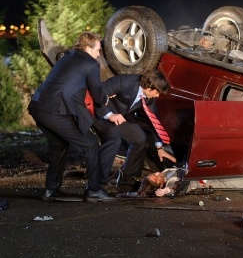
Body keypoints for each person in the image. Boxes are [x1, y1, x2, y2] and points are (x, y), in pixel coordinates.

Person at [28, 32, 116, 202]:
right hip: (54, 111)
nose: (99, 54)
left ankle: (51, 190)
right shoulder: (91, 64)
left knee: (59, 145)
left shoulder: (69, 56)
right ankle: (94, 190)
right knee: (90, 143)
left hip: (38, 106)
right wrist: (105, 99)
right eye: (98, 50)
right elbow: (97, 95)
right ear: (88, 48)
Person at [93, 70, 176, 188]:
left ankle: (126, 178)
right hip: (100, 114)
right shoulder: (125, 81)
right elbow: (98, 94)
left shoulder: (150, 96)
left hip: (119, 117)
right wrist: (109, 115)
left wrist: (159, 147)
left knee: (139, 138)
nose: (157, 96)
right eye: (157, 92)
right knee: (114, 140)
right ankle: (98, 184)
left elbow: (153, 118)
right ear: (149, 88)